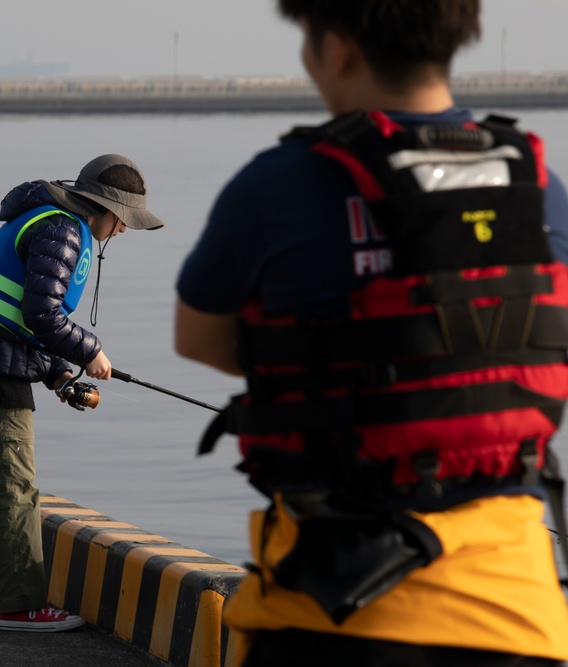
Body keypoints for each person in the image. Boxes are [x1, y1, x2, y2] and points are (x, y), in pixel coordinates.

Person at [175, 1, 568, 665]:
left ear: (339, 49)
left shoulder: (281, 186)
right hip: (520, 618)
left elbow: (201, 340)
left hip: (330, 611)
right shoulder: (540, 188)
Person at [0, 154, 164, 632]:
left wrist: (59, 376)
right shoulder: (65, 230)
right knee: (15, 494)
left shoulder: (47, 219)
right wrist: (92, 352)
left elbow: (17, 323)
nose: (124, 231)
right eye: (124, 219)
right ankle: (21, 607)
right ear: (104, 207)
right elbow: (43, 313)